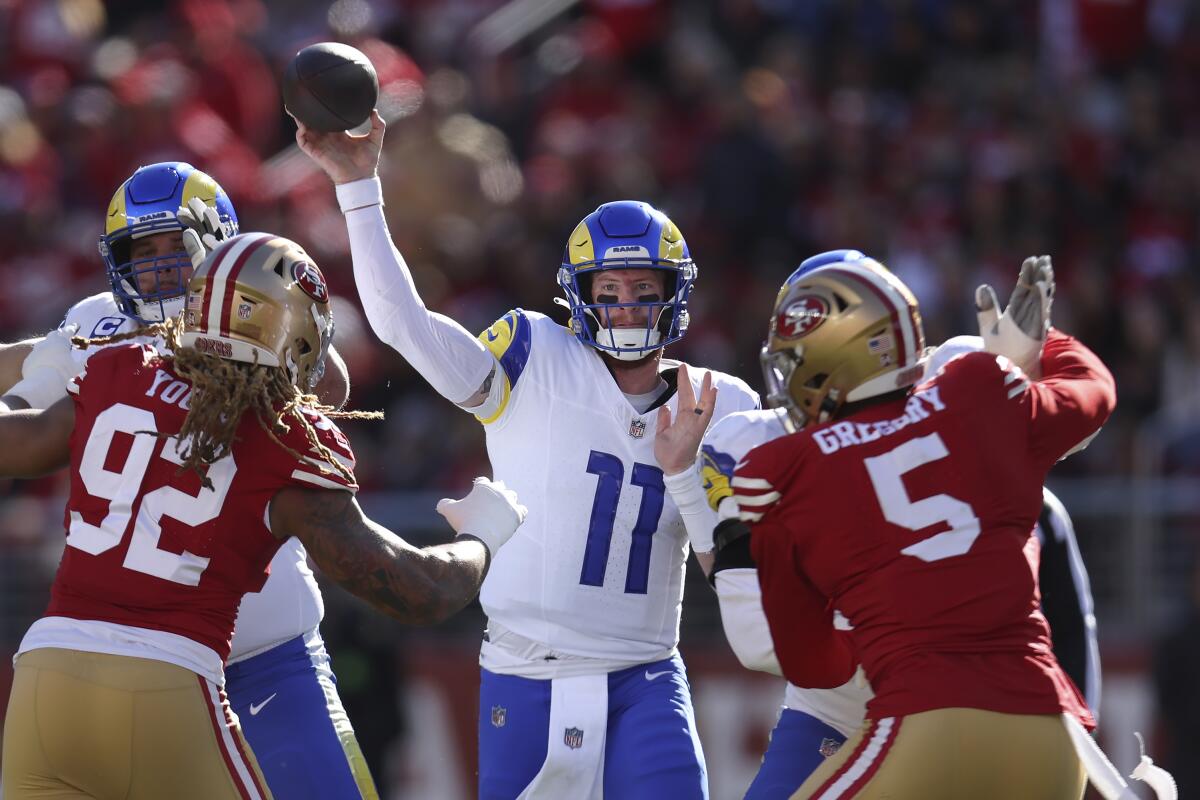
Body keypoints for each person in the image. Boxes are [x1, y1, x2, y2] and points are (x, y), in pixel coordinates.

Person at [296, 111, 761, 799]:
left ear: (674, 294)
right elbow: (404, 326)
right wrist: (359, 188)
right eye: (609, 291)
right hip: (524, 673)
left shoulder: (719, 401)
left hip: (646, 674)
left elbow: (729, 570)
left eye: (643, 291)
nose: (628, 308)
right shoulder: (534, 354)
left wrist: (687, 473)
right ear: (580, 295)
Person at [0, 232, 527, 800]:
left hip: (43, 677)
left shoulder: (119, 367)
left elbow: (16, 444)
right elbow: (422, 591)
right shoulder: (286, 437)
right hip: (165, 682)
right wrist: (485, 533)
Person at [0, 161, 388, 800]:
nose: (155, 267)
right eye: (139, 251)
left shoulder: (249, 310)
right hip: (143, 657)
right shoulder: (97, 324)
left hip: (269, 653)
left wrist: (214, 338)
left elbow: (333, 379)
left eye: (172, 246)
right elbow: (21, 413)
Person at [655, 250, 1105, 798]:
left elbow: (767, 639)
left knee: (1048, 516)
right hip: (863, 710)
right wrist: (1036, 358)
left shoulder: (773, 459)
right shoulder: (967, 379)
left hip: (908, 696)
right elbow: (1080, 418)